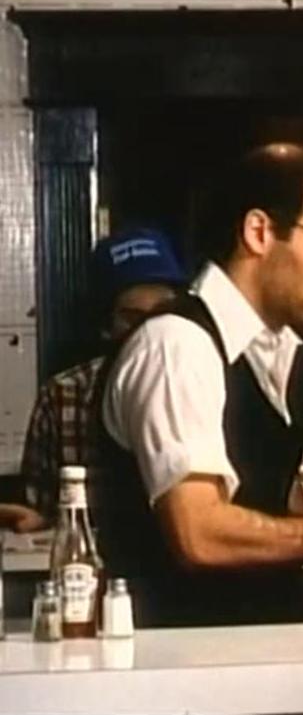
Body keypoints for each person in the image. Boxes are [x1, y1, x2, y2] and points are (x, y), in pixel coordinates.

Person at [97, 143, 303, 577]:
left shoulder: (265, 352)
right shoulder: (177, 345)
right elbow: (200, 534)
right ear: (259, 232)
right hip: (182, 623)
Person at [0, 228, 185, 532]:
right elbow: (41, 508)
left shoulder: (205, 384)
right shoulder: (62, 395)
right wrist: (37, 521)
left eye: (163, 316)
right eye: (134, 318)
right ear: (105, 325)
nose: (152, 333)